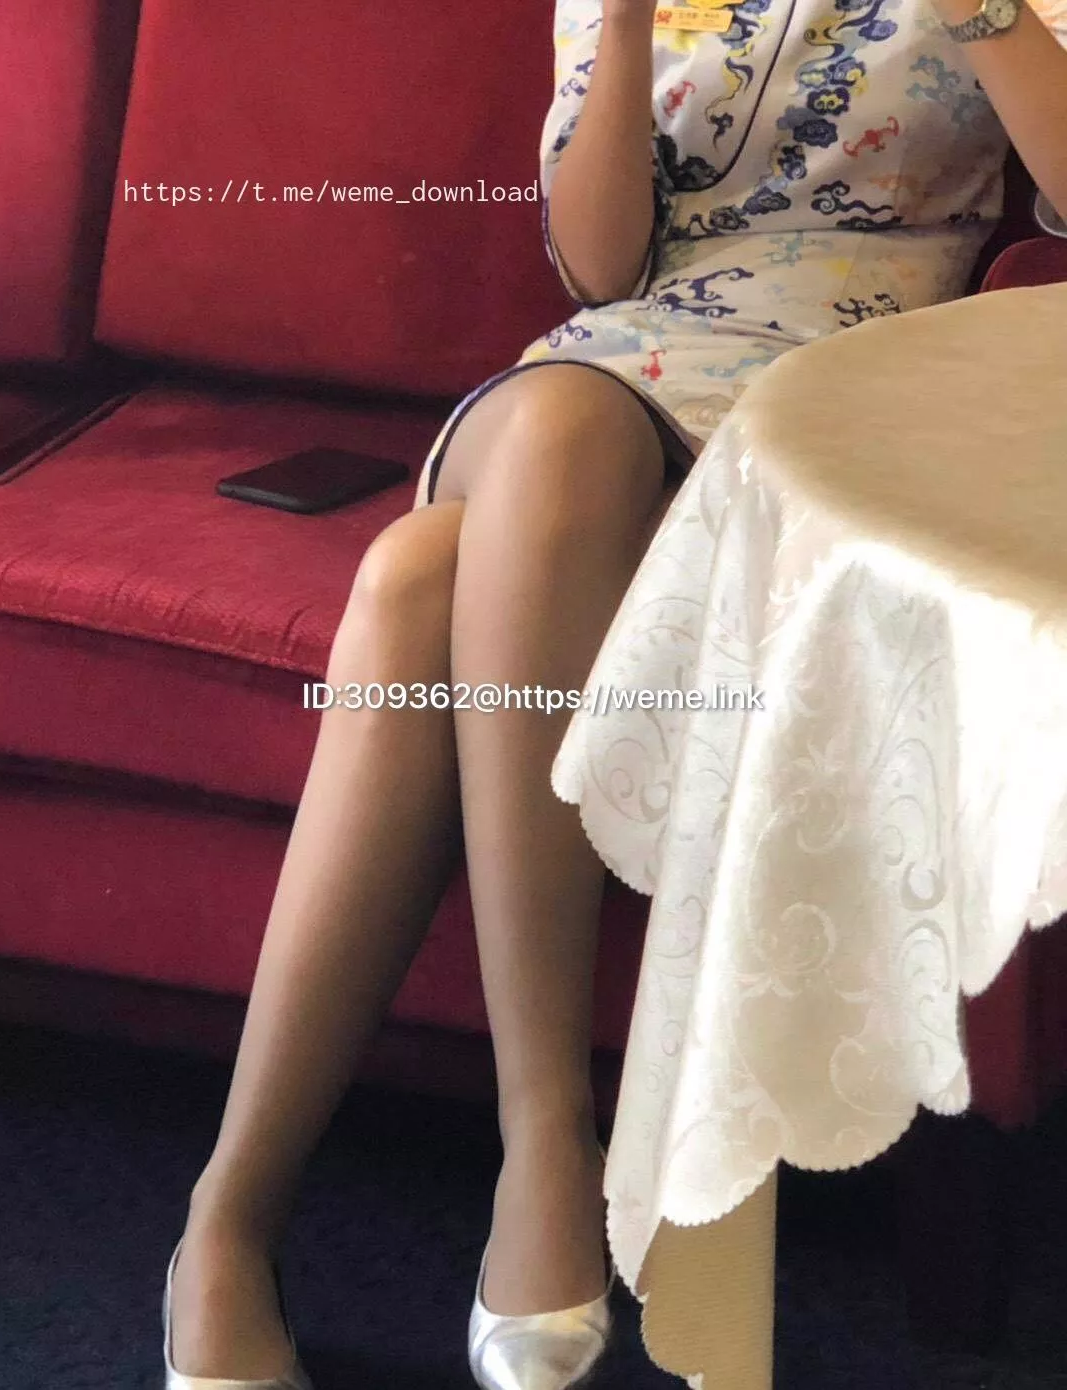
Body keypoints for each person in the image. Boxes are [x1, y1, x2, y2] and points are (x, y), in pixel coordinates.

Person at [161, 1, 1067, 1387]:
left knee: (413, 583)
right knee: (564, 426)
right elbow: (599, 262)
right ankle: (545, 1131)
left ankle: (225, 1220)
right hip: (602, 382)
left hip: (832, 412)